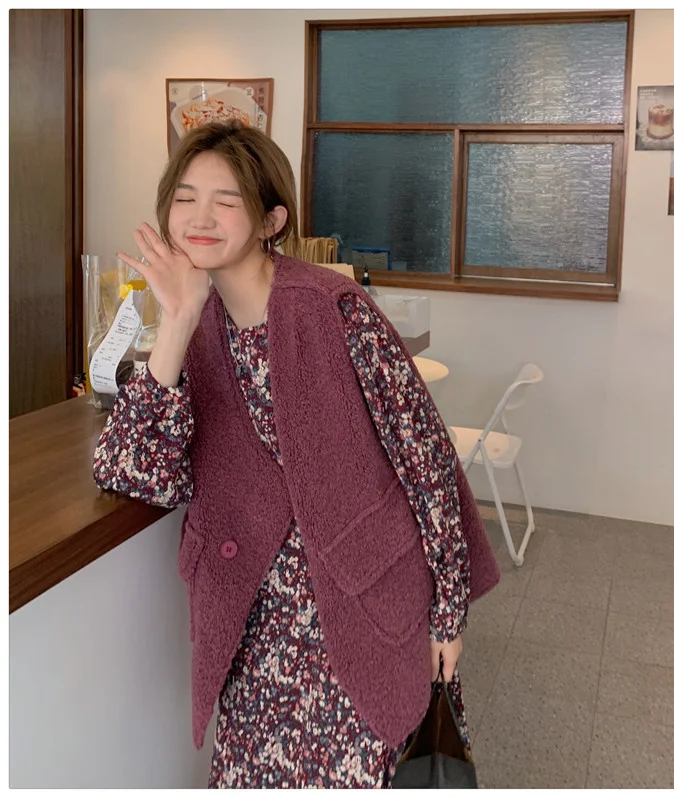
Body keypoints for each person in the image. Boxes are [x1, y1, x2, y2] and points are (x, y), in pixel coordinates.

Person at [93, 120, 500, 789]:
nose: (199, 216)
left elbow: (427, 466)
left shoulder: (337, 309)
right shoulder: (195, 324)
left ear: (270, 219)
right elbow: (134, 472)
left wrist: (448, 613)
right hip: (256, 632)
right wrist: (176, 321)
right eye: (185, 197)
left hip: (361, 609)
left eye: (225, 200)